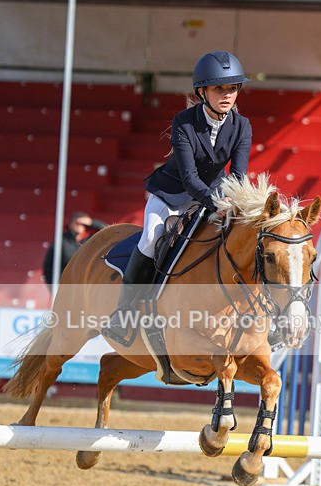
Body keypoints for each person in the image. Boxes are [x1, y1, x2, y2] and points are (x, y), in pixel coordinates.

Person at [107, 50, 252, 340]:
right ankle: (124, 314)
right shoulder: (184, 123)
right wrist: (217, 204)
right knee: (150, 238)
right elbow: (190, 179)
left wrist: (230, 204)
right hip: (173, 193)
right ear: (202, 92)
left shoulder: (242, 126)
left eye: (232, 88)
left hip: (217, 192)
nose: (227, 95)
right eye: (219, 88)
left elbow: (238, 175)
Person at [42, 210, 106, 288]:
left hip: (86, 285)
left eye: (83, 224)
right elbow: (48, 265)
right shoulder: (61, 241)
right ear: (71, 224)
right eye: (77, 223)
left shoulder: (91, 240)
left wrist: (92, 222)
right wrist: (53, 287)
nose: (80, 225)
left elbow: (110, 232)